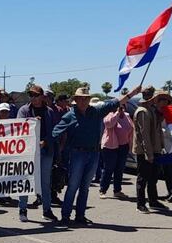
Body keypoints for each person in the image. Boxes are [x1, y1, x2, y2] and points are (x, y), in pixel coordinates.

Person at [52, 85, 141, 226]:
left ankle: (80, 216)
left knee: (85, 186)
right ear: (75, 100)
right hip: (77, 153)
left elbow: (116, 102)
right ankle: (65, 216)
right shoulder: (70, 115)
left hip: (94, 153)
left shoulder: (96, 111)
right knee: (73, 185)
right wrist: (43, 142)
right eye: (80, 99)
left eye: (85, 98)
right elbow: (55, 132)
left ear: (88, 100)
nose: (83, 101)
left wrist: (132, 93)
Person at [17, 85, 58, 223]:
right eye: (31, 95)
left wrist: (45, 142)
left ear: (42, 96)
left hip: (46, 151)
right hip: (28, 152)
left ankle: (47, 210)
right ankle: (22, 209)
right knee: (26, 180)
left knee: (45, 182)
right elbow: (19, 128)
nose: (33, 98)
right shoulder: (24, 110)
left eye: (36, 95)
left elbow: (54, 131)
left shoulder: (50, 111)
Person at [133, 88, 171, 213]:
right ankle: (140, 203)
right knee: (143, 178)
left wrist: (161, 147)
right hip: (144, 151)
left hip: (155, 149)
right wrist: (148, 153)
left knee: (153, 177)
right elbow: (144, 135)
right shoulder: (142, 112)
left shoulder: (153, 111)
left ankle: (153, 200)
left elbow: (157, 131)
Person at [99, 103, 133, 199]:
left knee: (120, 169)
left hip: (124, 146)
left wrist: (130, 144)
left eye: (123, 106)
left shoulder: (127, 116)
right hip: (110, 146)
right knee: (109, 169)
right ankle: (102, 190)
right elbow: (109, 124)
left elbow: (131, 128)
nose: (122, 108)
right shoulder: (110, 115)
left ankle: (117, 190)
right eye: (120, 106)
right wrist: (117, 113)